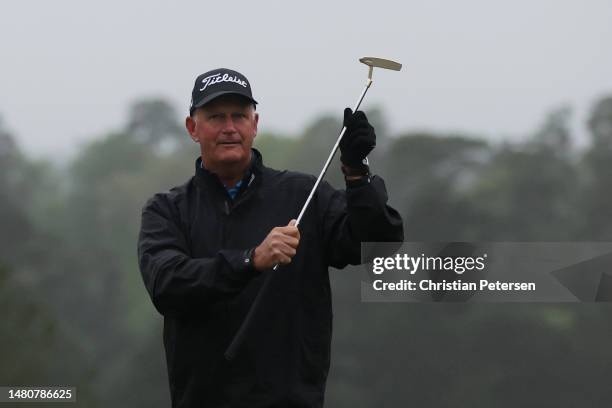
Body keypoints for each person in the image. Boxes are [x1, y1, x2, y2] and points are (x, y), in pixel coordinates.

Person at [137, 67, 403, 407]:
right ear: (193, 128)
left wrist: (357, 174)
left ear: (255, 124)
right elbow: (168, 286)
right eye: (216, 117)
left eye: (239, 116)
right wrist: (251, 260)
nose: (230, 128)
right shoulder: (168, 210)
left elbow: (378, 244)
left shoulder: (304, 195)